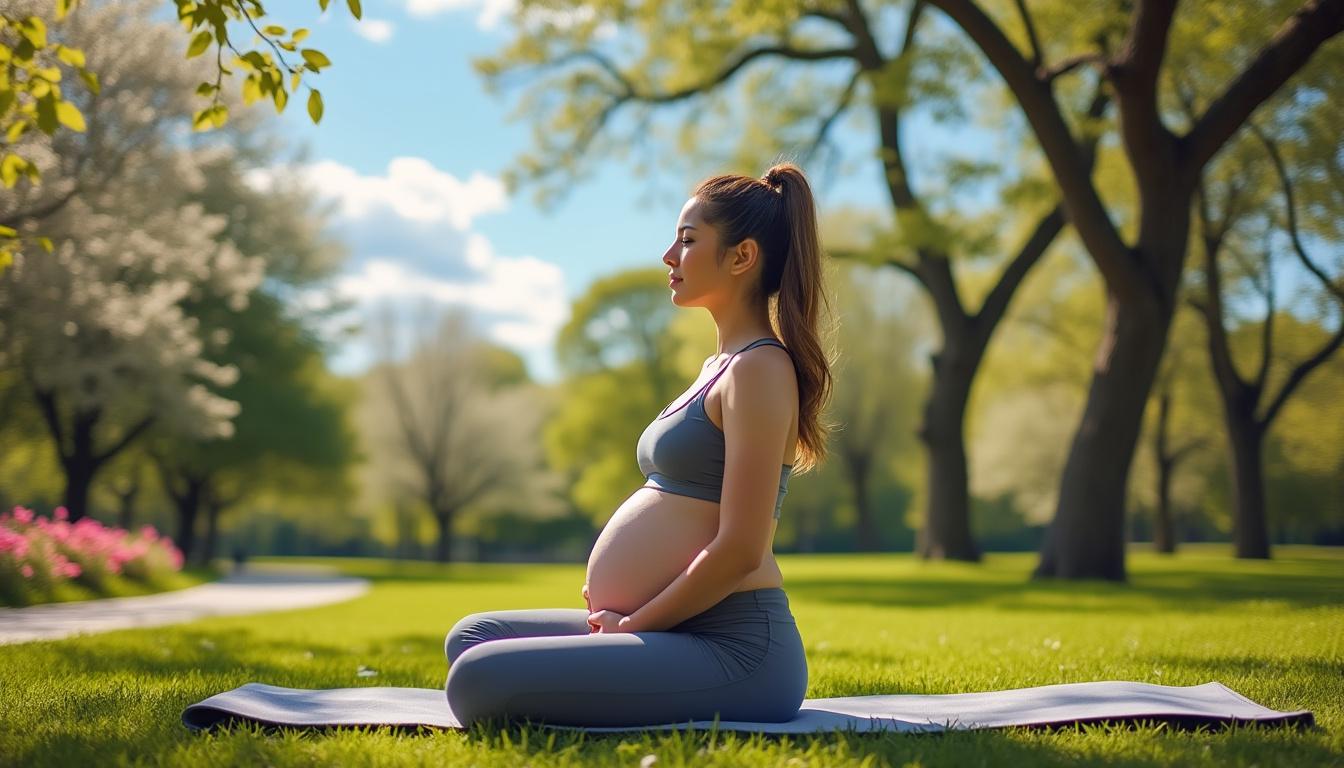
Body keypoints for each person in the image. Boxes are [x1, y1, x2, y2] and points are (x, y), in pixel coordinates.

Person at [444, 162, 834, 728]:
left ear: (742, 257)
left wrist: (637, 623)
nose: (668, 256)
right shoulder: (717, 367)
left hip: (736, 649)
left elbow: (742, 548)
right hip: (671, 627)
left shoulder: (761, 370)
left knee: (479, 680)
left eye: (687, 240)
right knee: (473, 637)